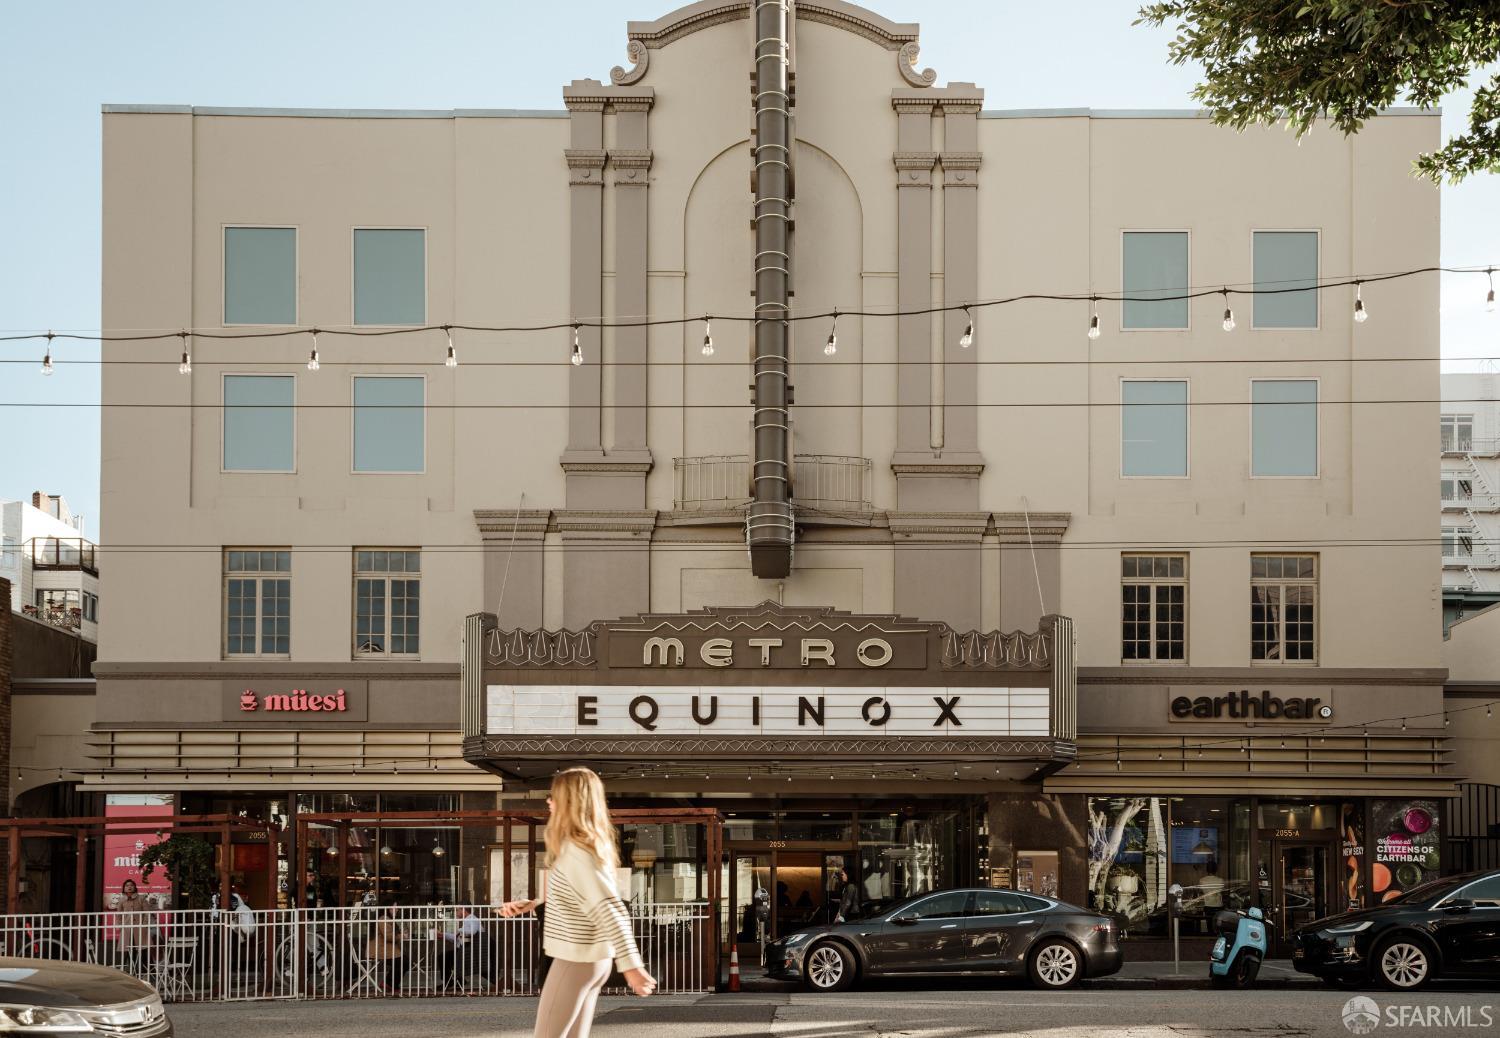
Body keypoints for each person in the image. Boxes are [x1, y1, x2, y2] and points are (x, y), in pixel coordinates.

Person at [500, 767, 655, 1038]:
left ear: (570, 800)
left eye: (554, 795)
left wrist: (632, 965)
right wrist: (536, 903)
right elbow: (583, 897)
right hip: (591, 959)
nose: (548, 801)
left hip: (575, 958)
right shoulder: (587, 847)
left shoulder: (576, 851)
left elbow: (609, 907)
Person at [115, 880, 152, 974]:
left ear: (135, 887)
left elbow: (147, 913)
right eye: (127, 885)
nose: (129, 887)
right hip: (127, 929)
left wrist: (144, 925)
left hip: (140, 929)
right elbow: (119, 915)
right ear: (124, 888)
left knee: (142, 951)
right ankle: (130, 972)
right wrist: (119, 926)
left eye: (131, 885)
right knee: (127, 951)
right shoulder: (121, 900)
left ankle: (142, 972)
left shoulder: (141, 898)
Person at [368, 904, 406, 996]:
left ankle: (390, 983)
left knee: (403, 961)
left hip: (387, 949)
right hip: (381, 950)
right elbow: (388, 936)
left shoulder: (387, 919)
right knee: (404, 961)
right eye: (394, 906)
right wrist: (400, 936)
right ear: (388, 908)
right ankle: (390, 984)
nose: (397, 909)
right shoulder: (383, 919)